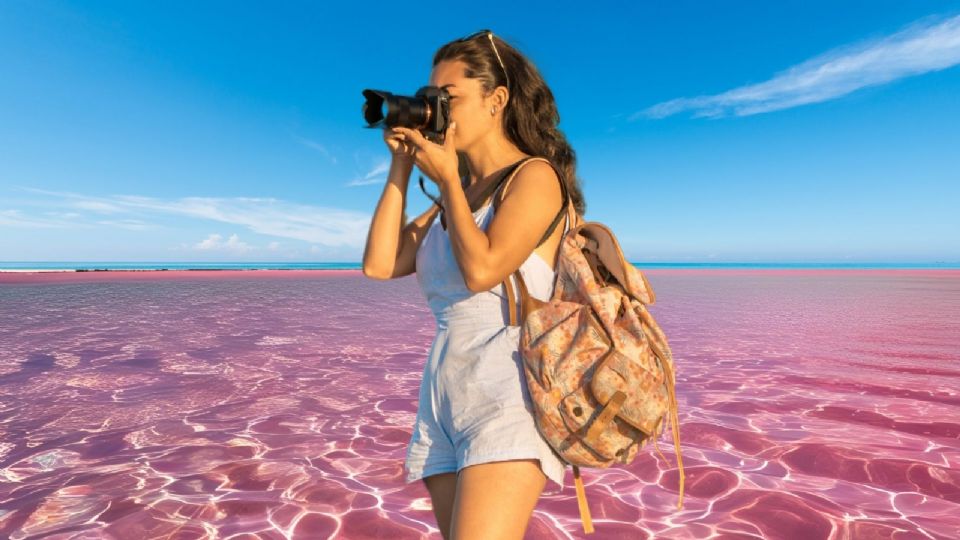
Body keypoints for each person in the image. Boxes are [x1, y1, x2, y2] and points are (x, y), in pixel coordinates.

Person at [362, 29, 587, 539]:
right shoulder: (453, 198)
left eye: (448, 98)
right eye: (427, 99)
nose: (434, 109)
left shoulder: (534, 178)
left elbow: (483, 269)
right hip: (444, 391)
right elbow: (379, 264)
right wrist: (401, 165)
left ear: (496, 100)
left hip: (506, 390)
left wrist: (446, 181)